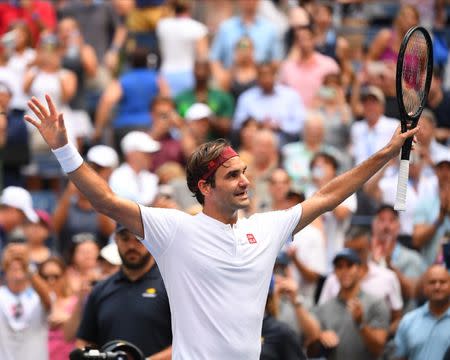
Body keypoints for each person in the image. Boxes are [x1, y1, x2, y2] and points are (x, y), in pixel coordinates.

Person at [25, 94, 419, 359]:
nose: (245, 181)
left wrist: (384, 153)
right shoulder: (174, 230)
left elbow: (327, 196)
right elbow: (105, 201)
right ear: (205, 187)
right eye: (232, 176)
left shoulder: (265, 229)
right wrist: (63, 148)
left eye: (244, 172)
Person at [75, 224, 172, 359]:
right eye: (125, 239)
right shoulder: (100, 290)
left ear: (152, 239)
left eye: (139, 239)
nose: (131, 246)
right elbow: (84, 340)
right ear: (116, 239)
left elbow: (188, 341)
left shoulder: (170, 286)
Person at [301, 249, 390, 360]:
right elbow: (310, 353)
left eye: (349, 265)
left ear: (360, 270)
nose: (344, 271)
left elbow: (378, 349)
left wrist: (361, 324)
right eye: (339, 267)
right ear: (334, 272)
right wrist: (319, 338)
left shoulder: (376, 304)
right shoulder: (323, 308)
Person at [0, 242, 52, 360]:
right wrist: (5, 260)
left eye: (21, 267)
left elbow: (49, 301)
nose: (17, 269)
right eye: (12, 267)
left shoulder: (37, 295)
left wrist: (29, 267)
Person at [394, 265, 450, 360]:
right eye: (432, 282)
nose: (437, 286)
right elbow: (400, 356)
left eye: (442, 282)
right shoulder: (408, 321)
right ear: (424, 287)